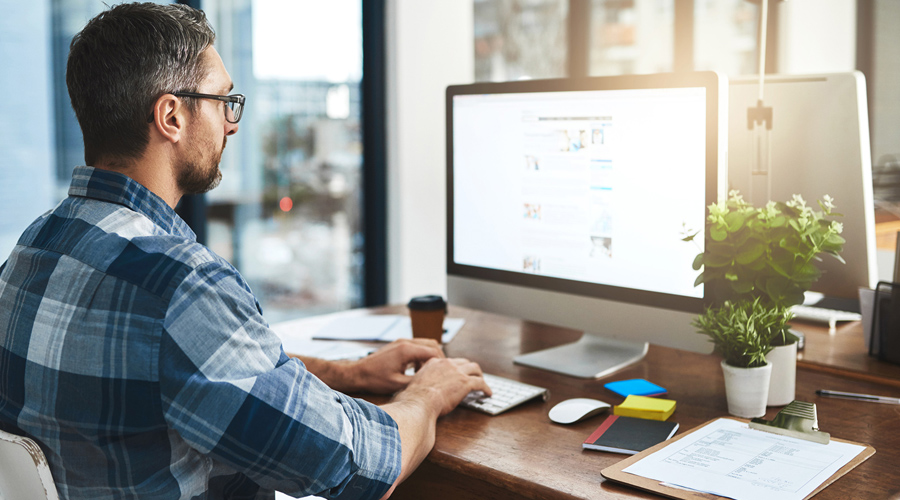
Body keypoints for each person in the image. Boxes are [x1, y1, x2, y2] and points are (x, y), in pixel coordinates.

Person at [0, 3, 490, 500]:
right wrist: (427, 395)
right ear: (171, 116)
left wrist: (351, 373)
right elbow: (354, 465)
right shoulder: (179, 282)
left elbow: (196, 368)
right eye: (222, 101)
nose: (232, 124)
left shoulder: (33, 248)